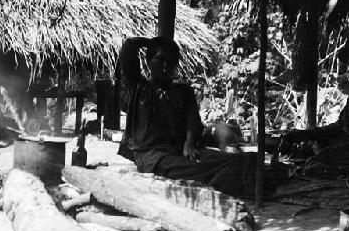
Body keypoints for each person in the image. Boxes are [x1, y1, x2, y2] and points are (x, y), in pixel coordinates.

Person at [117, 36, 284, 198]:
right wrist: (152, 43)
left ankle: (243, 181)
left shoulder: (184, 91)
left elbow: (192, 122)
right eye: (160, 59)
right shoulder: (139, 88)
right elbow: (129, 47)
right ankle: (238, 184)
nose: (165, 65)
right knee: (197, 170)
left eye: (171, 61)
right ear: (148, 61)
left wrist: (189, 143)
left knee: (242, 160)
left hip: (183, 151)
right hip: (154, 158)